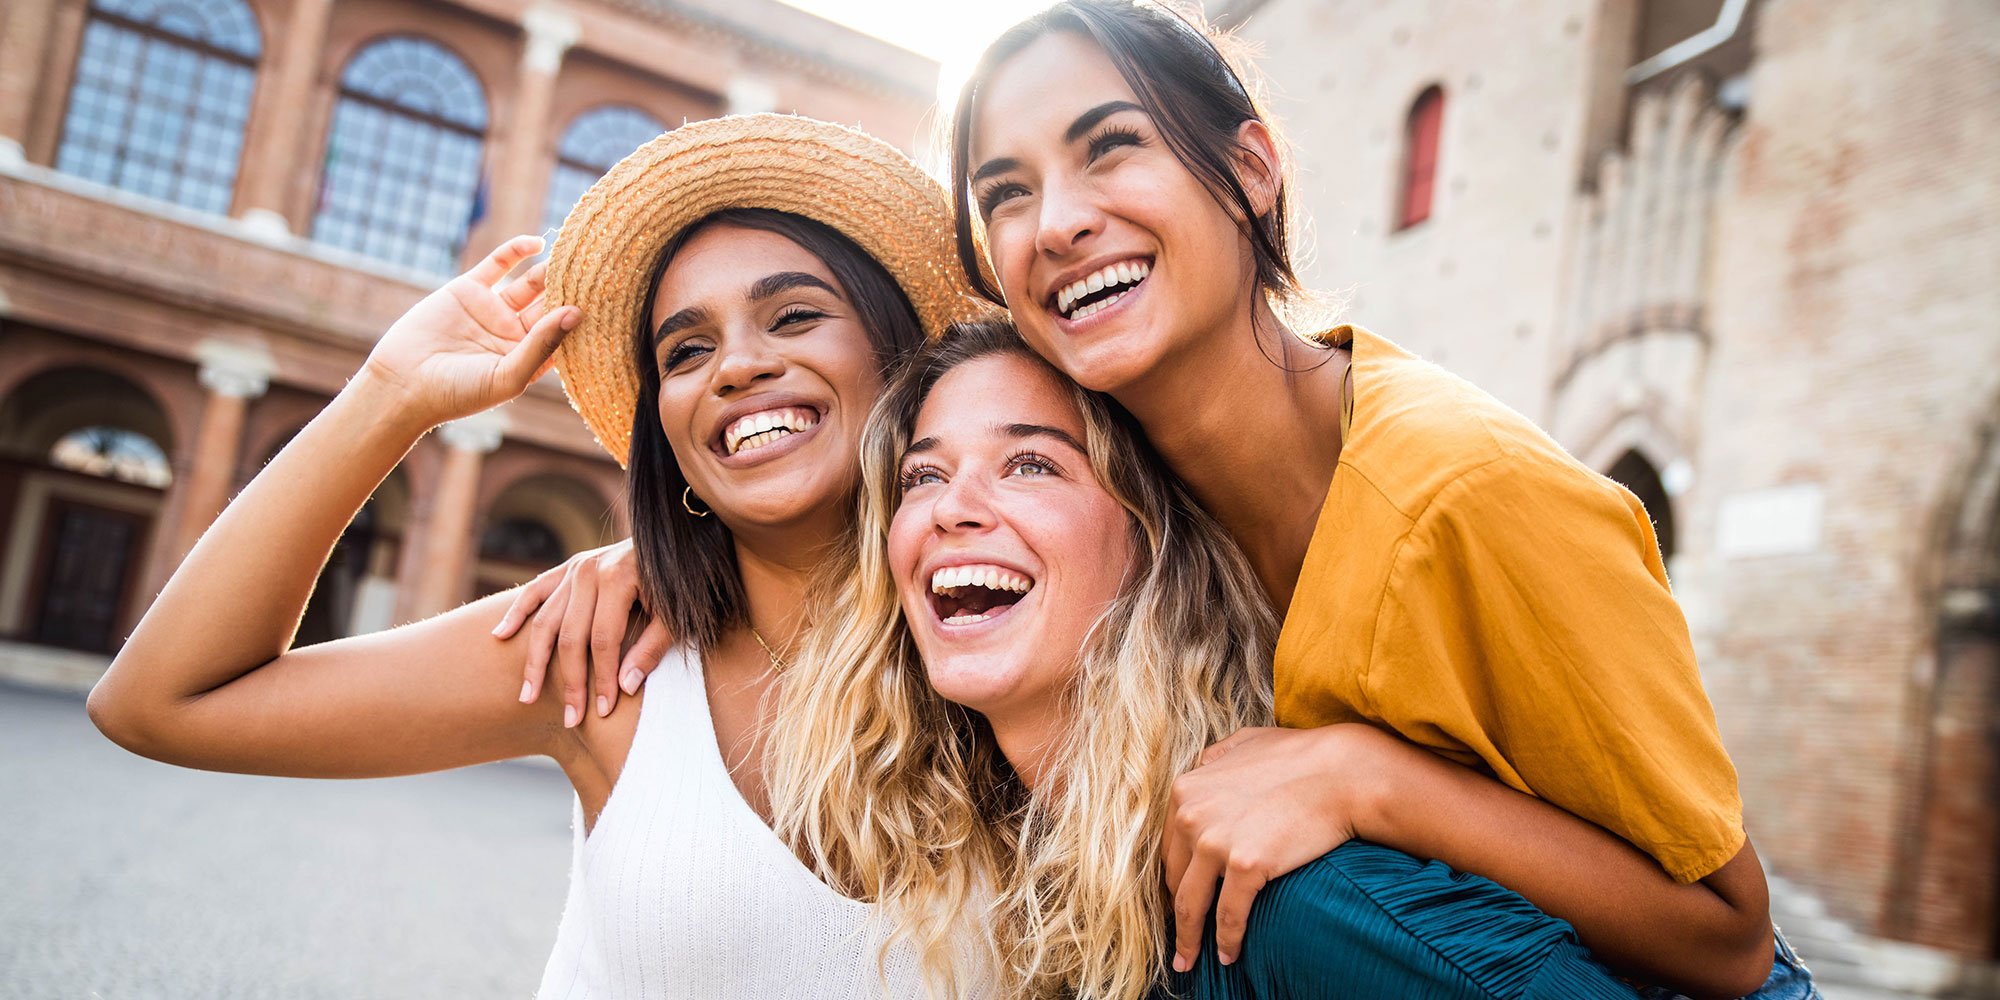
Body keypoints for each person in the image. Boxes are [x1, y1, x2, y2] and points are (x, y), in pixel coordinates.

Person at [944, 1, 1817, 997]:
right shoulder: (1124, 497)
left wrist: (1369, 779)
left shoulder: (1469, 492)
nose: (1056, 221)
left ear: (1249, 172)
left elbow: (1727, 936)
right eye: (1006, 193)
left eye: (1111, 146)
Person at [85, 113, 993, 998]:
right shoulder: (598, 660)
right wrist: (389, 396)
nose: (735, 367)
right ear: (667, 435)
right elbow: (163, 702)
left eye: (793, 316)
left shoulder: (1037, 645)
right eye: (685, 351)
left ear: (905, 355)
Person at [769, 317, 1641, 1000]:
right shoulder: (1025, 881)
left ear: (1154, 543)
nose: (953, 508)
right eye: (924, 476)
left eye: (1030, 463)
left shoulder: (1296, 903)